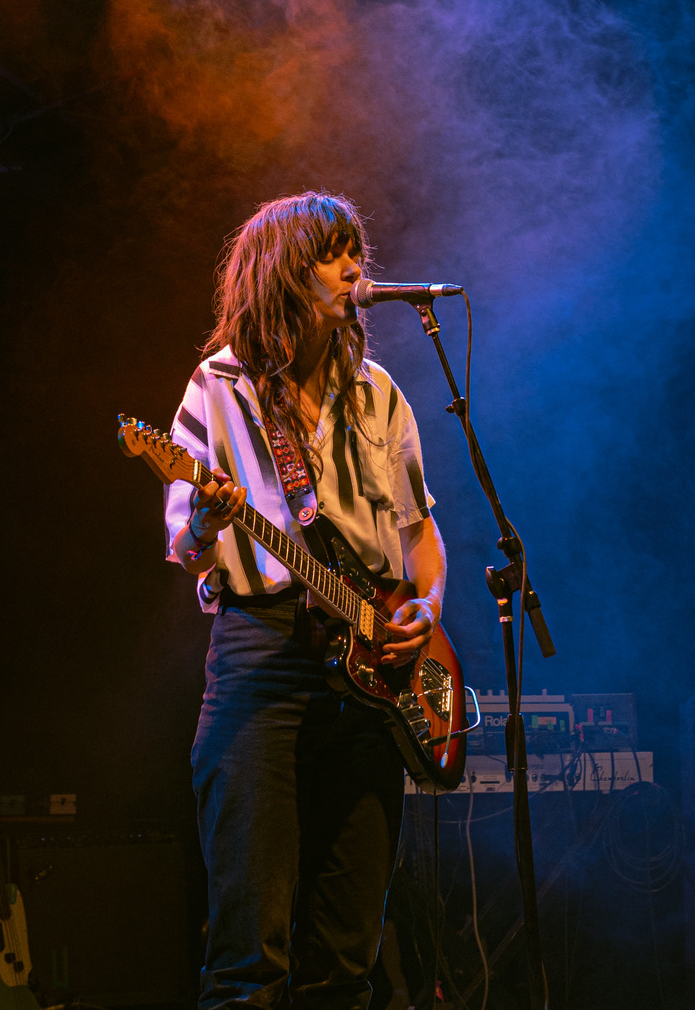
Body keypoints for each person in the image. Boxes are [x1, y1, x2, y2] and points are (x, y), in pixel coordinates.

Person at [167, 191, 447, 1010]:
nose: (355, 266)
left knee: (347, 958)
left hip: (372, 667)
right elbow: (186, 544)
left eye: (356, 250)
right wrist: (209, 518)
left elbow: (421, 533)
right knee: (248, 959)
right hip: (263, 657)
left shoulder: (379, 392)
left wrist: (428, 607)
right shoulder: (220, 386)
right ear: (285, 271)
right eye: (333, 253)